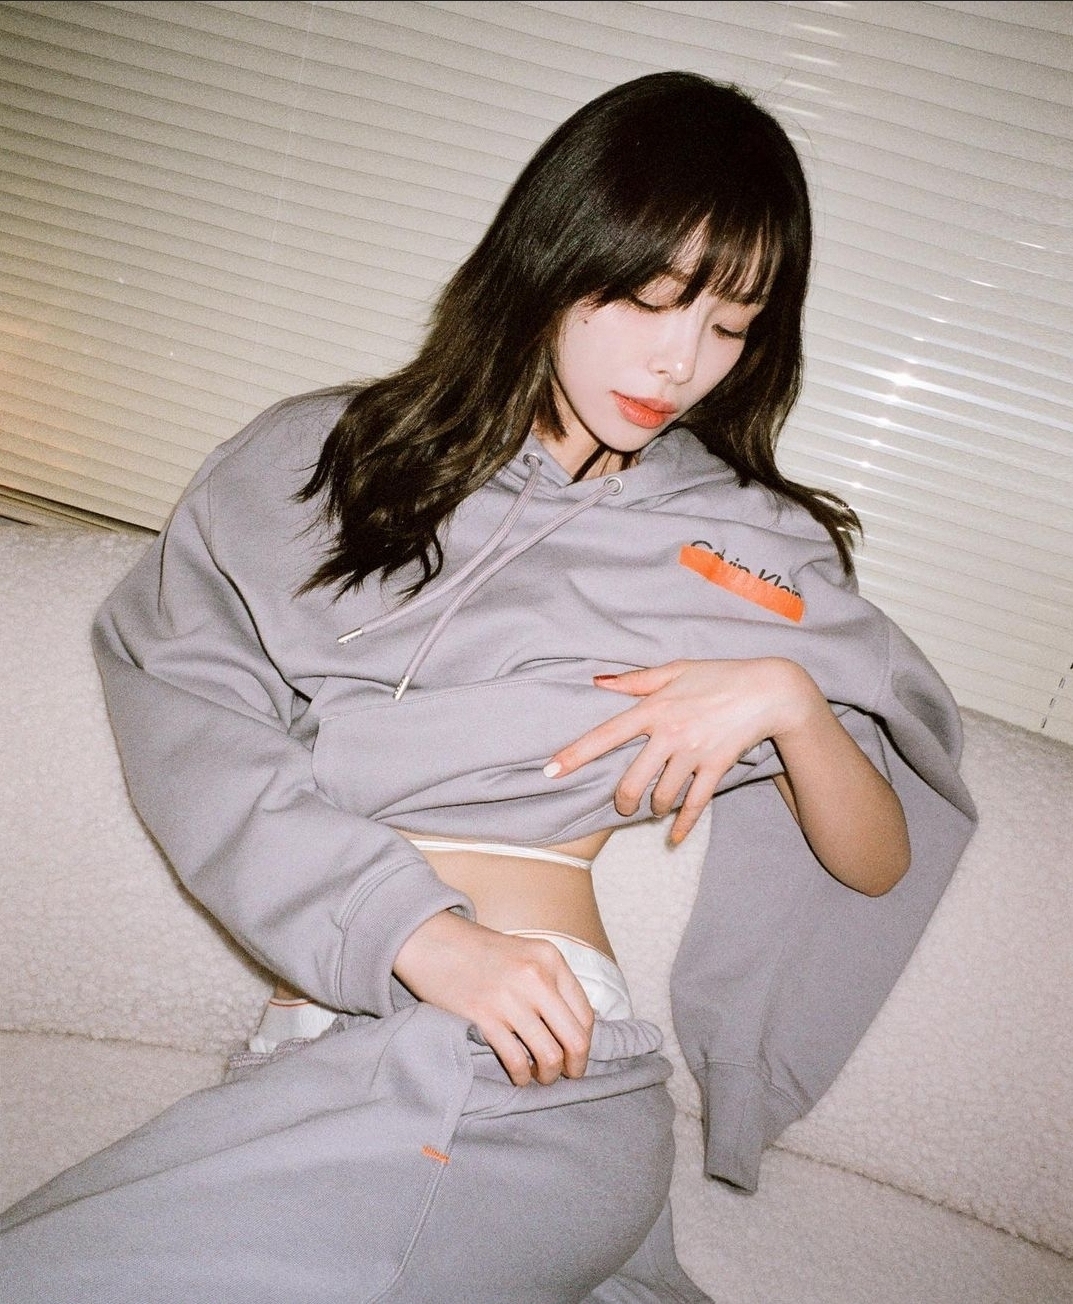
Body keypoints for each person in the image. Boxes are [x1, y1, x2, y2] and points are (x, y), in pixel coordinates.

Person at [0, 72, 975, 1302]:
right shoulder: (323, 457)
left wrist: (788, 697)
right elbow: (187, 712)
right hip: (311, 1053)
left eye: (729, 325)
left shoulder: (747, 546)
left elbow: (875, 859)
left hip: (522, 1049)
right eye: (647, 297)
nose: (679, 361)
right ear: (552, 257)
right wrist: (413, 933)